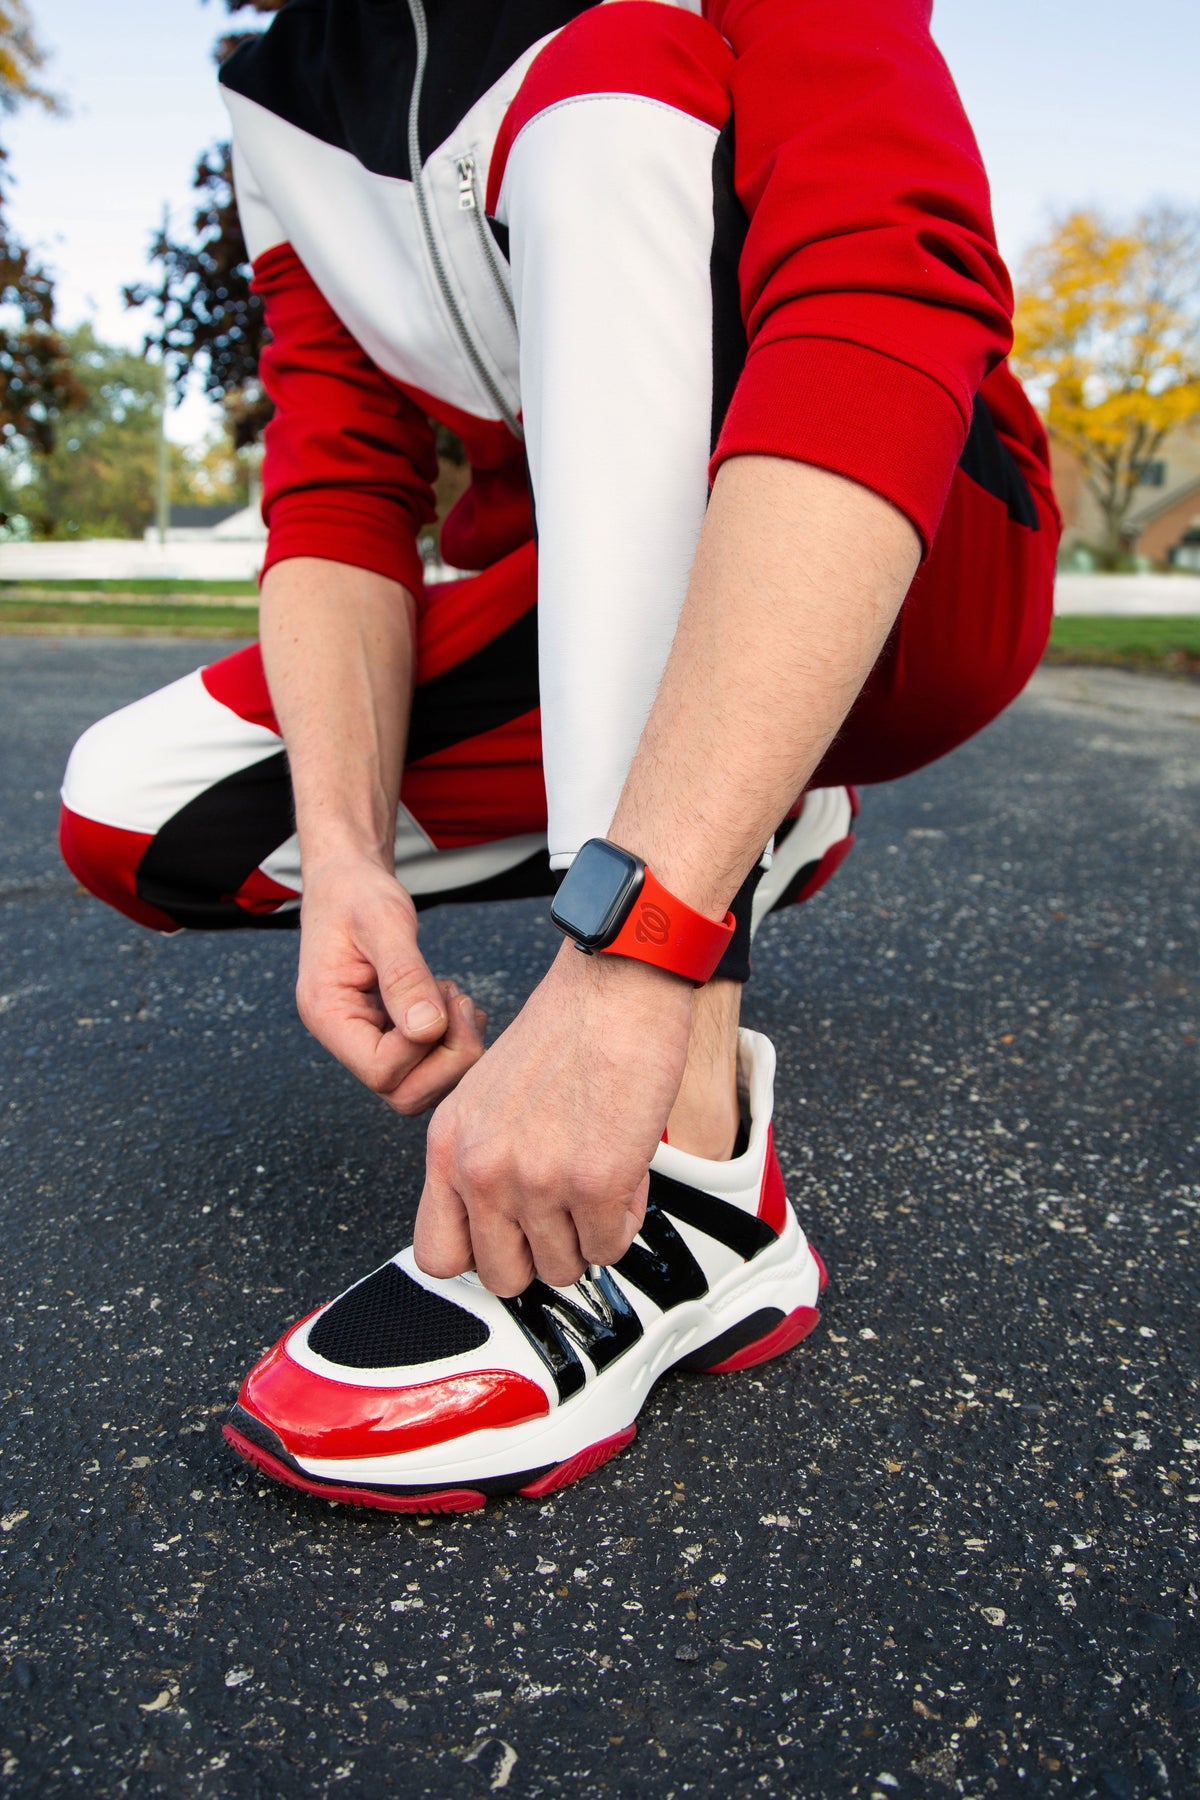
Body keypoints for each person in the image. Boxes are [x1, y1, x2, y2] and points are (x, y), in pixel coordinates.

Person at [60, 0, 1059, 1512]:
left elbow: (883, 287)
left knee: (612, 79)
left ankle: (692, 1164)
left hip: (907, 549)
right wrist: (347, 854)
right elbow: (342, 490)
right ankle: (755, 812)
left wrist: (625, 970)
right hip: (568, 612)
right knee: (132, 810)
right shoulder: (275, 96)